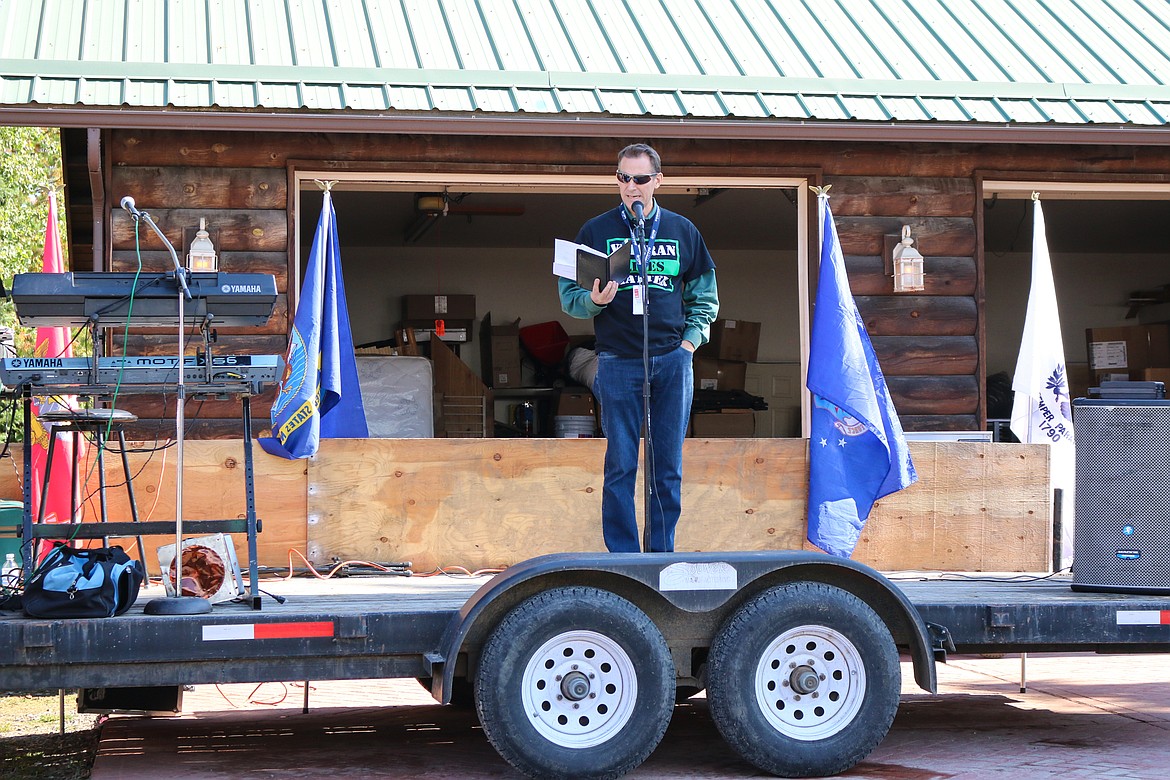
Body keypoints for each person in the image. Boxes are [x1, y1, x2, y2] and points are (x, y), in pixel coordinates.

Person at [559, 143, 719, 552]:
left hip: (672, 358)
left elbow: (706, 296)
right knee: (621, 463)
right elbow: (567, 295)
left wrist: (689, 344)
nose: (631, 187)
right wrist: (592, 301)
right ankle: (625, 557)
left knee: (666, 466)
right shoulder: (595, 230)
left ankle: (660, 554)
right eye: (624, 179)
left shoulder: (683, 230)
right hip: (617, 360)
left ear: (658, 182)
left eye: (640, 179)